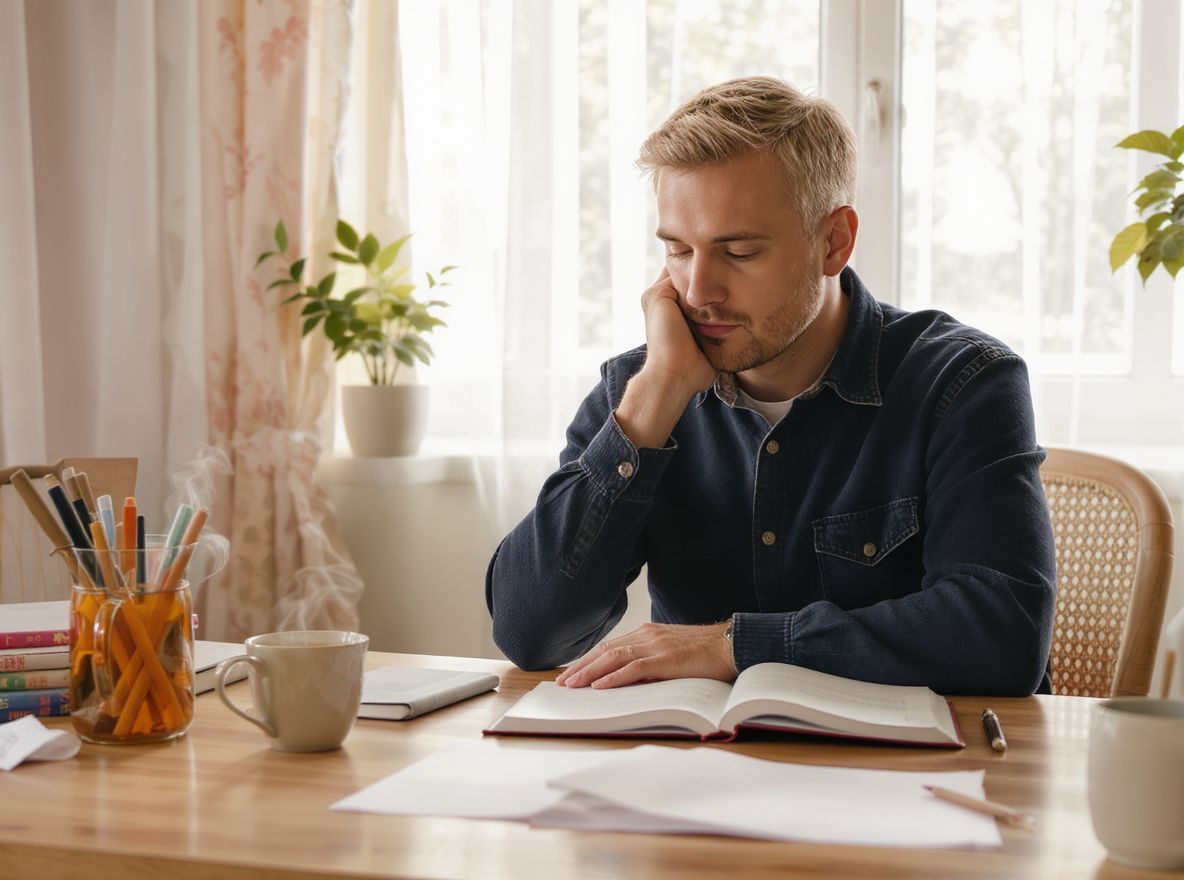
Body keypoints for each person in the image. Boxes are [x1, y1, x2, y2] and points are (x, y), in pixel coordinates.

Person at [484, 76, 1056, 696]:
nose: (698, 292)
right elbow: (529, 633)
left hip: (910, 757)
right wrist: (654, 401)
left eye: (739, 252)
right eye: (678, 251)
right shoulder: (641, 387)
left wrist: (734, 645)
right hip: (700, 756)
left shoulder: (964, 382)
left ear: (834, 241)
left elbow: (1003, 634)